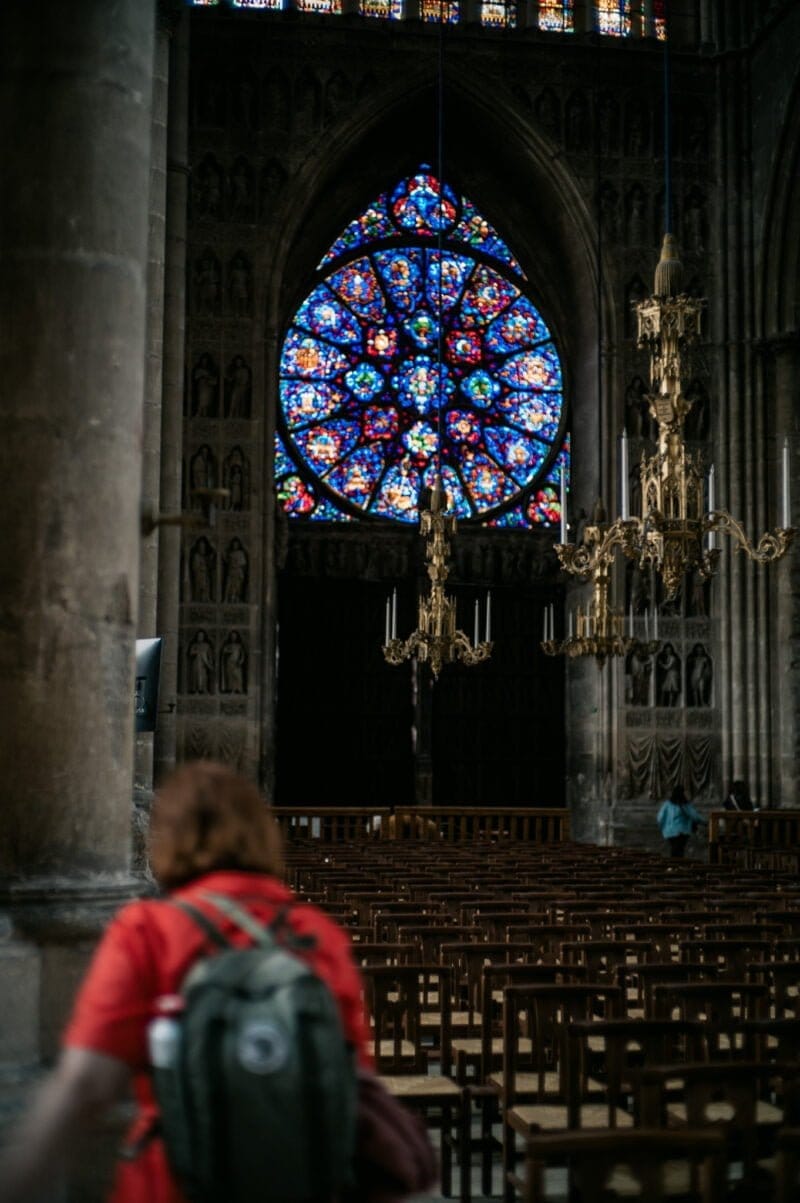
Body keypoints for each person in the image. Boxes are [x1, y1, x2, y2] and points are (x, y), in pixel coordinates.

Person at [0, 762, 371, 1203]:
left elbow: (86, 1083)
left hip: (172, 1184)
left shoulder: (149, 930)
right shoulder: (319, 935)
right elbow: (352, 1080)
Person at [656, 784, 707, 858]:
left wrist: (662, 827)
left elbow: (660, 817)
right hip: (682, 831)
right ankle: (677, 865)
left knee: (674, 849)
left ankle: (674, 865)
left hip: (669, 832)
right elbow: (695, 816)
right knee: (679, 851)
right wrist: (705, 822)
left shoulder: (667, 804)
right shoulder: (684, 804)